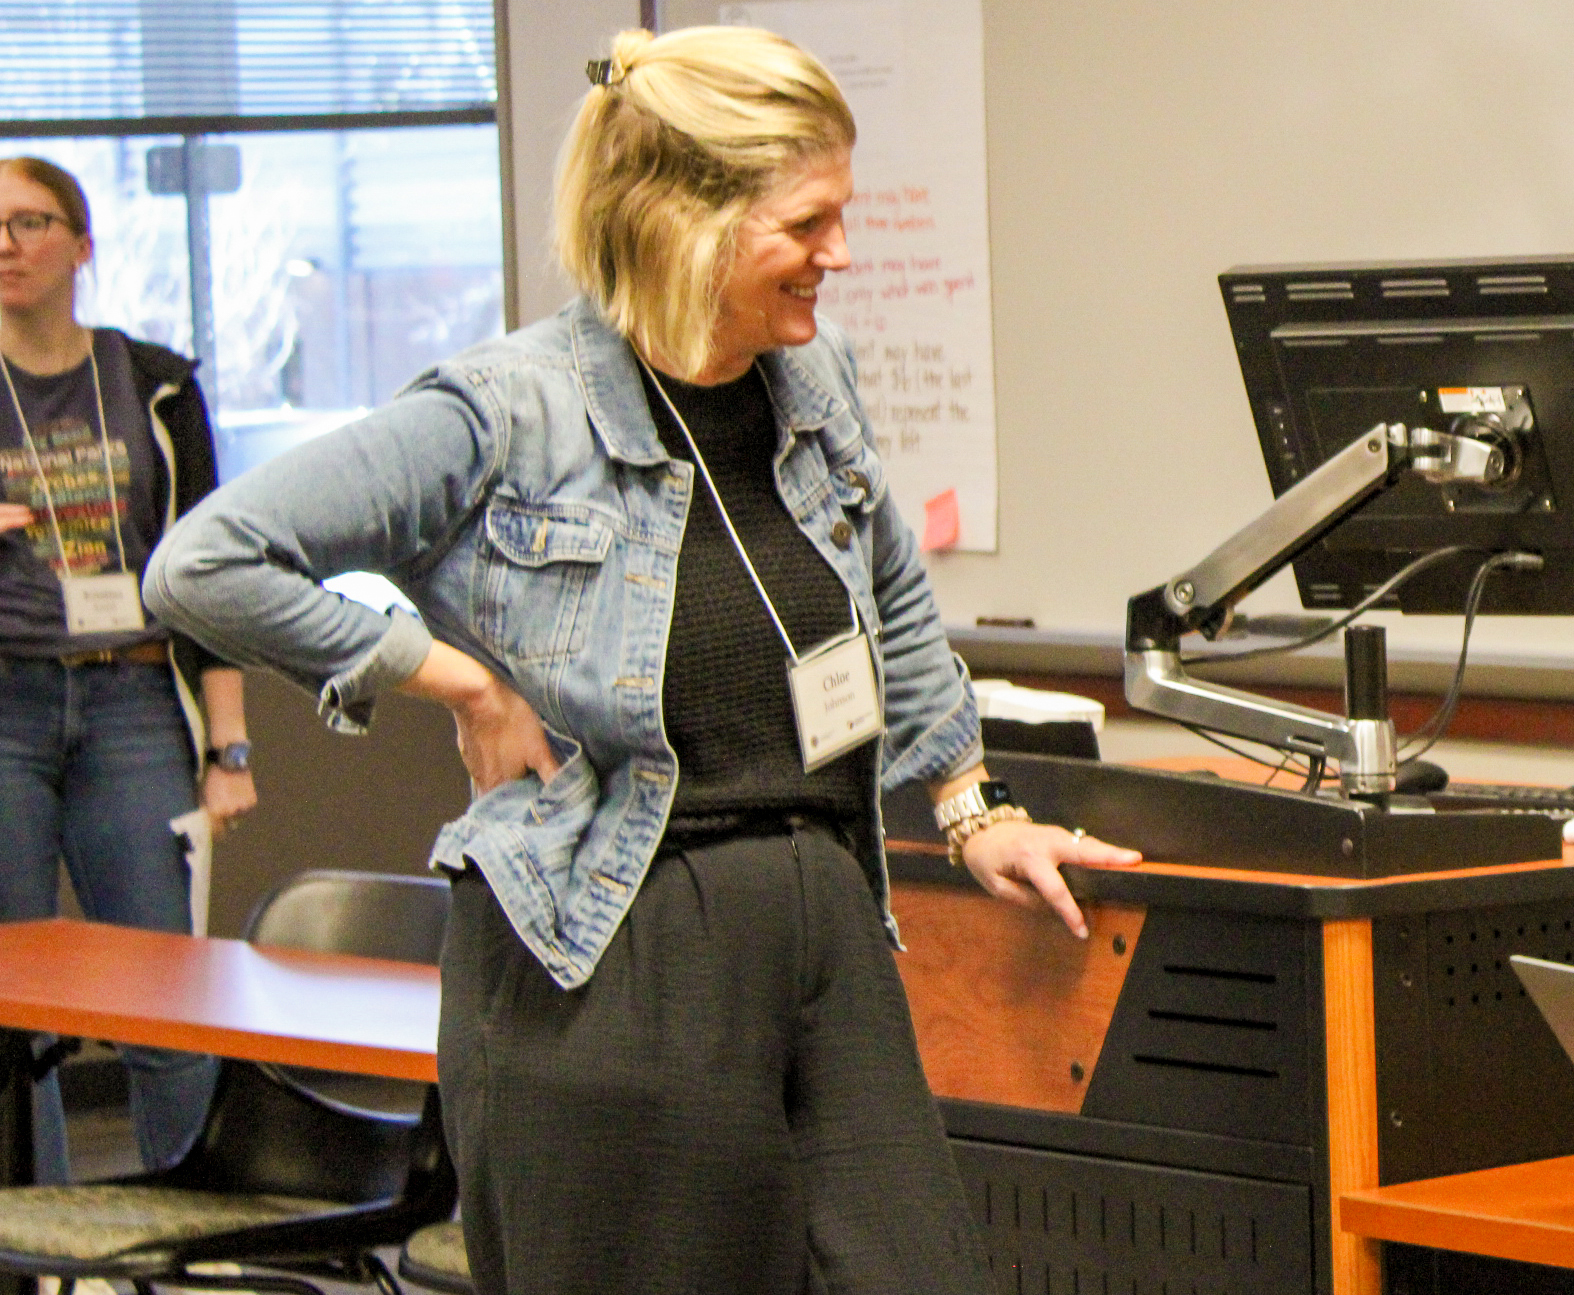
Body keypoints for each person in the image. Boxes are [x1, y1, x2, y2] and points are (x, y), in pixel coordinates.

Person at [145, 27, 1139, 1294]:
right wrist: (455, 676)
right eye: (809, 222)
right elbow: (205, 562)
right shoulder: (508, 408)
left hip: (823, 909)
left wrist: (970, 802)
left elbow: (886, 585)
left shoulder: (808, 375)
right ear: (687, 219)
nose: (839, 253)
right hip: (609, 935)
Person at [0, 155, 249, 1181]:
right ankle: (31, 1246)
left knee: (165, 996)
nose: (6, 245)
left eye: (29, 222)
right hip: (5, 706)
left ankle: (190, 1230)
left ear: (82, 244)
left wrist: (228, 744)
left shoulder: (154, 383)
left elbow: (212, 572)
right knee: (13, 1010)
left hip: (135, 700)